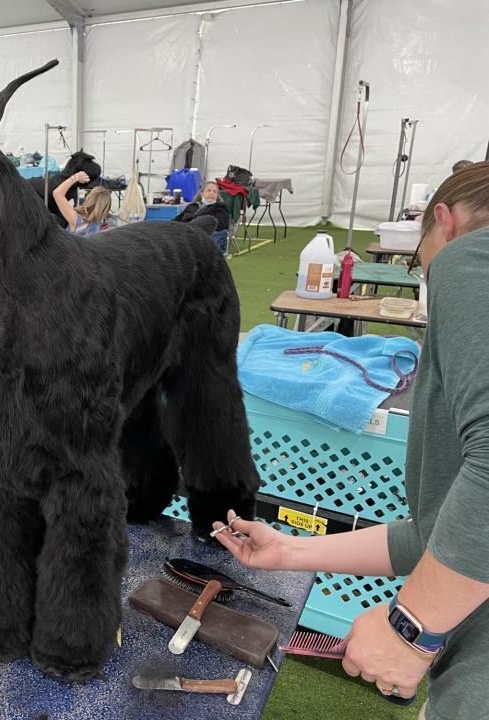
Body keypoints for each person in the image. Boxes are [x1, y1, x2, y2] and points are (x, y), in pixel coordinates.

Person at [212, 161, 489, 720]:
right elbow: (436, 536)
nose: (424, 276)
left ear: (445, 221)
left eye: (419, 261)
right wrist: (289, 552)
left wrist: (409, 629)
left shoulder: (468, 258)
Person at [172, 180, 231, 251]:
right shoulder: (192, 206)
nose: (212, 193)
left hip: (208, 238)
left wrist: (201, 215)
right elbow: (181, 221)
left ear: (217, 195)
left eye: (214, 192)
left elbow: (220, 225)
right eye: (208, 191)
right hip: (187, 236)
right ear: (202, 193)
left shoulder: (221, 208)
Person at [52, 171, 111, 237]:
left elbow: (57, 193)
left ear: (89, 198)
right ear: (106, 208)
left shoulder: (76, 220)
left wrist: (75, 177)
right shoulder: (103, 229)